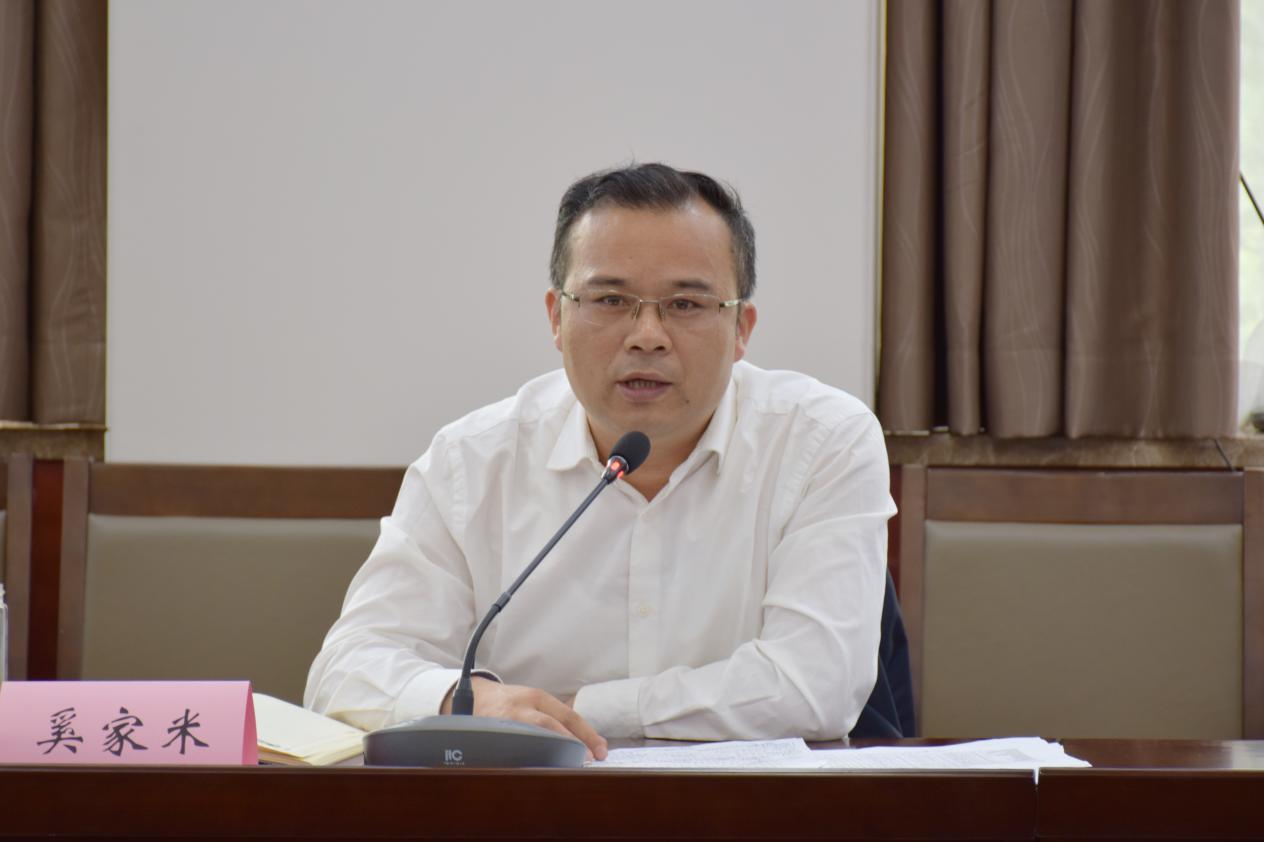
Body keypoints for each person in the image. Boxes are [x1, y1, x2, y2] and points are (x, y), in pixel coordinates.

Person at [305, 163, 895, 760]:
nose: (647, 335)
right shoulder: (470, 463)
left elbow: (817, 685)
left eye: (686, 304)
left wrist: (575, 711)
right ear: (556, 318)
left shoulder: (821, 442)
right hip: (530, 809)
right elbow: (345, 672)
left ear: (741, 328)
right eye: (611, 300)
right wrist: (465, 702)